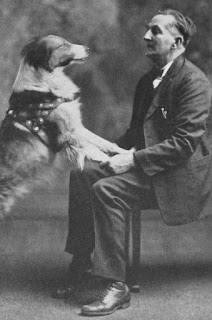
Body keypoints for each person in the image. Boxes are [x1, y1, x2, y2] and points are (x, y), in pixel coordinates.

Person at [52, 8, 212, 317]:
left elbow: (183, 144)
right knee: (83, 176)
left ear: (177, 41)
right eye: (147, 30)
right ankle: (82, 262)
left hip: (176, 177)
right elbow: (136, 133)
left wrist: (133, 160)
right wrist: (103, 150)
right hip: (150, 169)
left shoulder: (193, 82)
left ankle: (116, 285)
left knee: (107, 190)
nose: (146, 36)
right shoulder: (147, 81)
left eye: (155, 31)